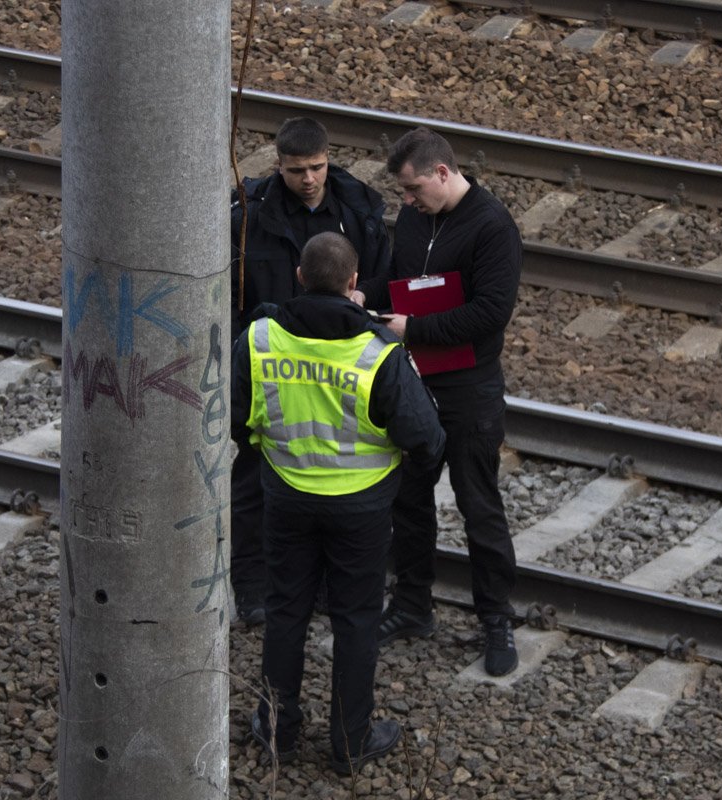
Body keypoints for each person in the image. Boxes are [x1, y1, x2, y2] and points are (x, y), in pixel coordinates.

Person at [231, 231, 445, 773]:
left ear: (299, 277)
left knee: (285, 611)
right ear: (354, 283)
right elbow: (427, 438)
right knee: (355, 621)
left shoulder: (260, 339)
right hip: (362, 508)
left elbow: (234, 418)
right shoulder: (379, 351)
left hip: (286, 496)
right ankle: (351, 743)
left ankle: (277, 731)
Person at [353, 127, 522, 677]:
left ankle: (495, 619)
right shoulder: (414, 218)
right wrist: (365, 293)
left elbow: (490, 313)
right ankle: (412, 606)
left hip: (470, 389)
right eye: (403, 192)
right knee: (409, 498)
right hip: (415, 381)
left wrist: (414, 329)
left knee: (479, 505)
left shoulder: (492, 227)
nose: (406, 201)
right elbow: (402, 280)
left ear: (443, 173)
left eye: (412, 188)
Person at [229, 116, 391, 626]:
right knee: (254, 482)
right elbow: (231, 292)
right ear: (278, 164)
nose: (309, 179)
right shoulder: (249, 215)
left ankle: (320, 586)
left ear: (328, 159)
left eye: (317, 167)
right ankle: (253, 588)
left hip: (338, 366)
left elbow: (384, 276)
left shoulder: (359, 210)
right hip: (273, 365)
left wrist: (363, 297)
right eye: (297, 170)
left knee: (328, 483)